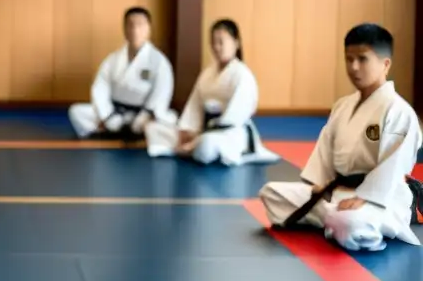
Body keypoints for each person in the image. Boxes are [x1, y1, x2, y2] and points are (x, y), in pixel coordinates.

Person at [259, 23, 423, 251]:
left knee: (350, 223)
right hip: (337, 192)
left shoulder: (399, 111)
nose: (354, 67)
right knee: (272, 194)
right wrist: (321, 184)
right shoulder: (342, 106)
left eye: (363, 59)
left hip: (381, 199)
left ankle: (347, 221)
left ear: (385, 64)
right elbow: (326, 150)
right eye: (349, 59)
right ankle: (334, 218)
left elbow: (395, 166)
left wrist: (366, 196)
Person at [145, 18, 278, 165]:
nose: (216, 47)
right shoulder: (207, 73)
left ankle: (192, 148)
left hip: (229, 134)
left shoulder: (242, 75)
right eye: (213, 42)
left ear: (236, 43)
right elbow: (194, 105)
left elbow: (233, 118)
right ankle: (189, 148)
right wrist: (188, 130)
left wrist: (199, 138)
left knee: (206, 145)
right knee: (154, 129)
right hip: (202, 129)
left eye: (221, 42)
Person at [67, 6, 176, 140]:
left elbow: (161, 94)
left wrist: (144, 117)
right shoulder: (112, 60)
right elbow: (100, 88)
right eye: (130, 25)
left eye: (140, 25)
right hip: (115, 112)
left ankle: (120, 133)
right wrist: (108, 116)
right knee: (76, 112)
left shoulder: (159, 61)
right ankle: (115, 131)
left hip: (143, 115)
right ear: (124, 29)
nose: (135, 30)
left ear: (149, 29)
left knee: (169, 120)